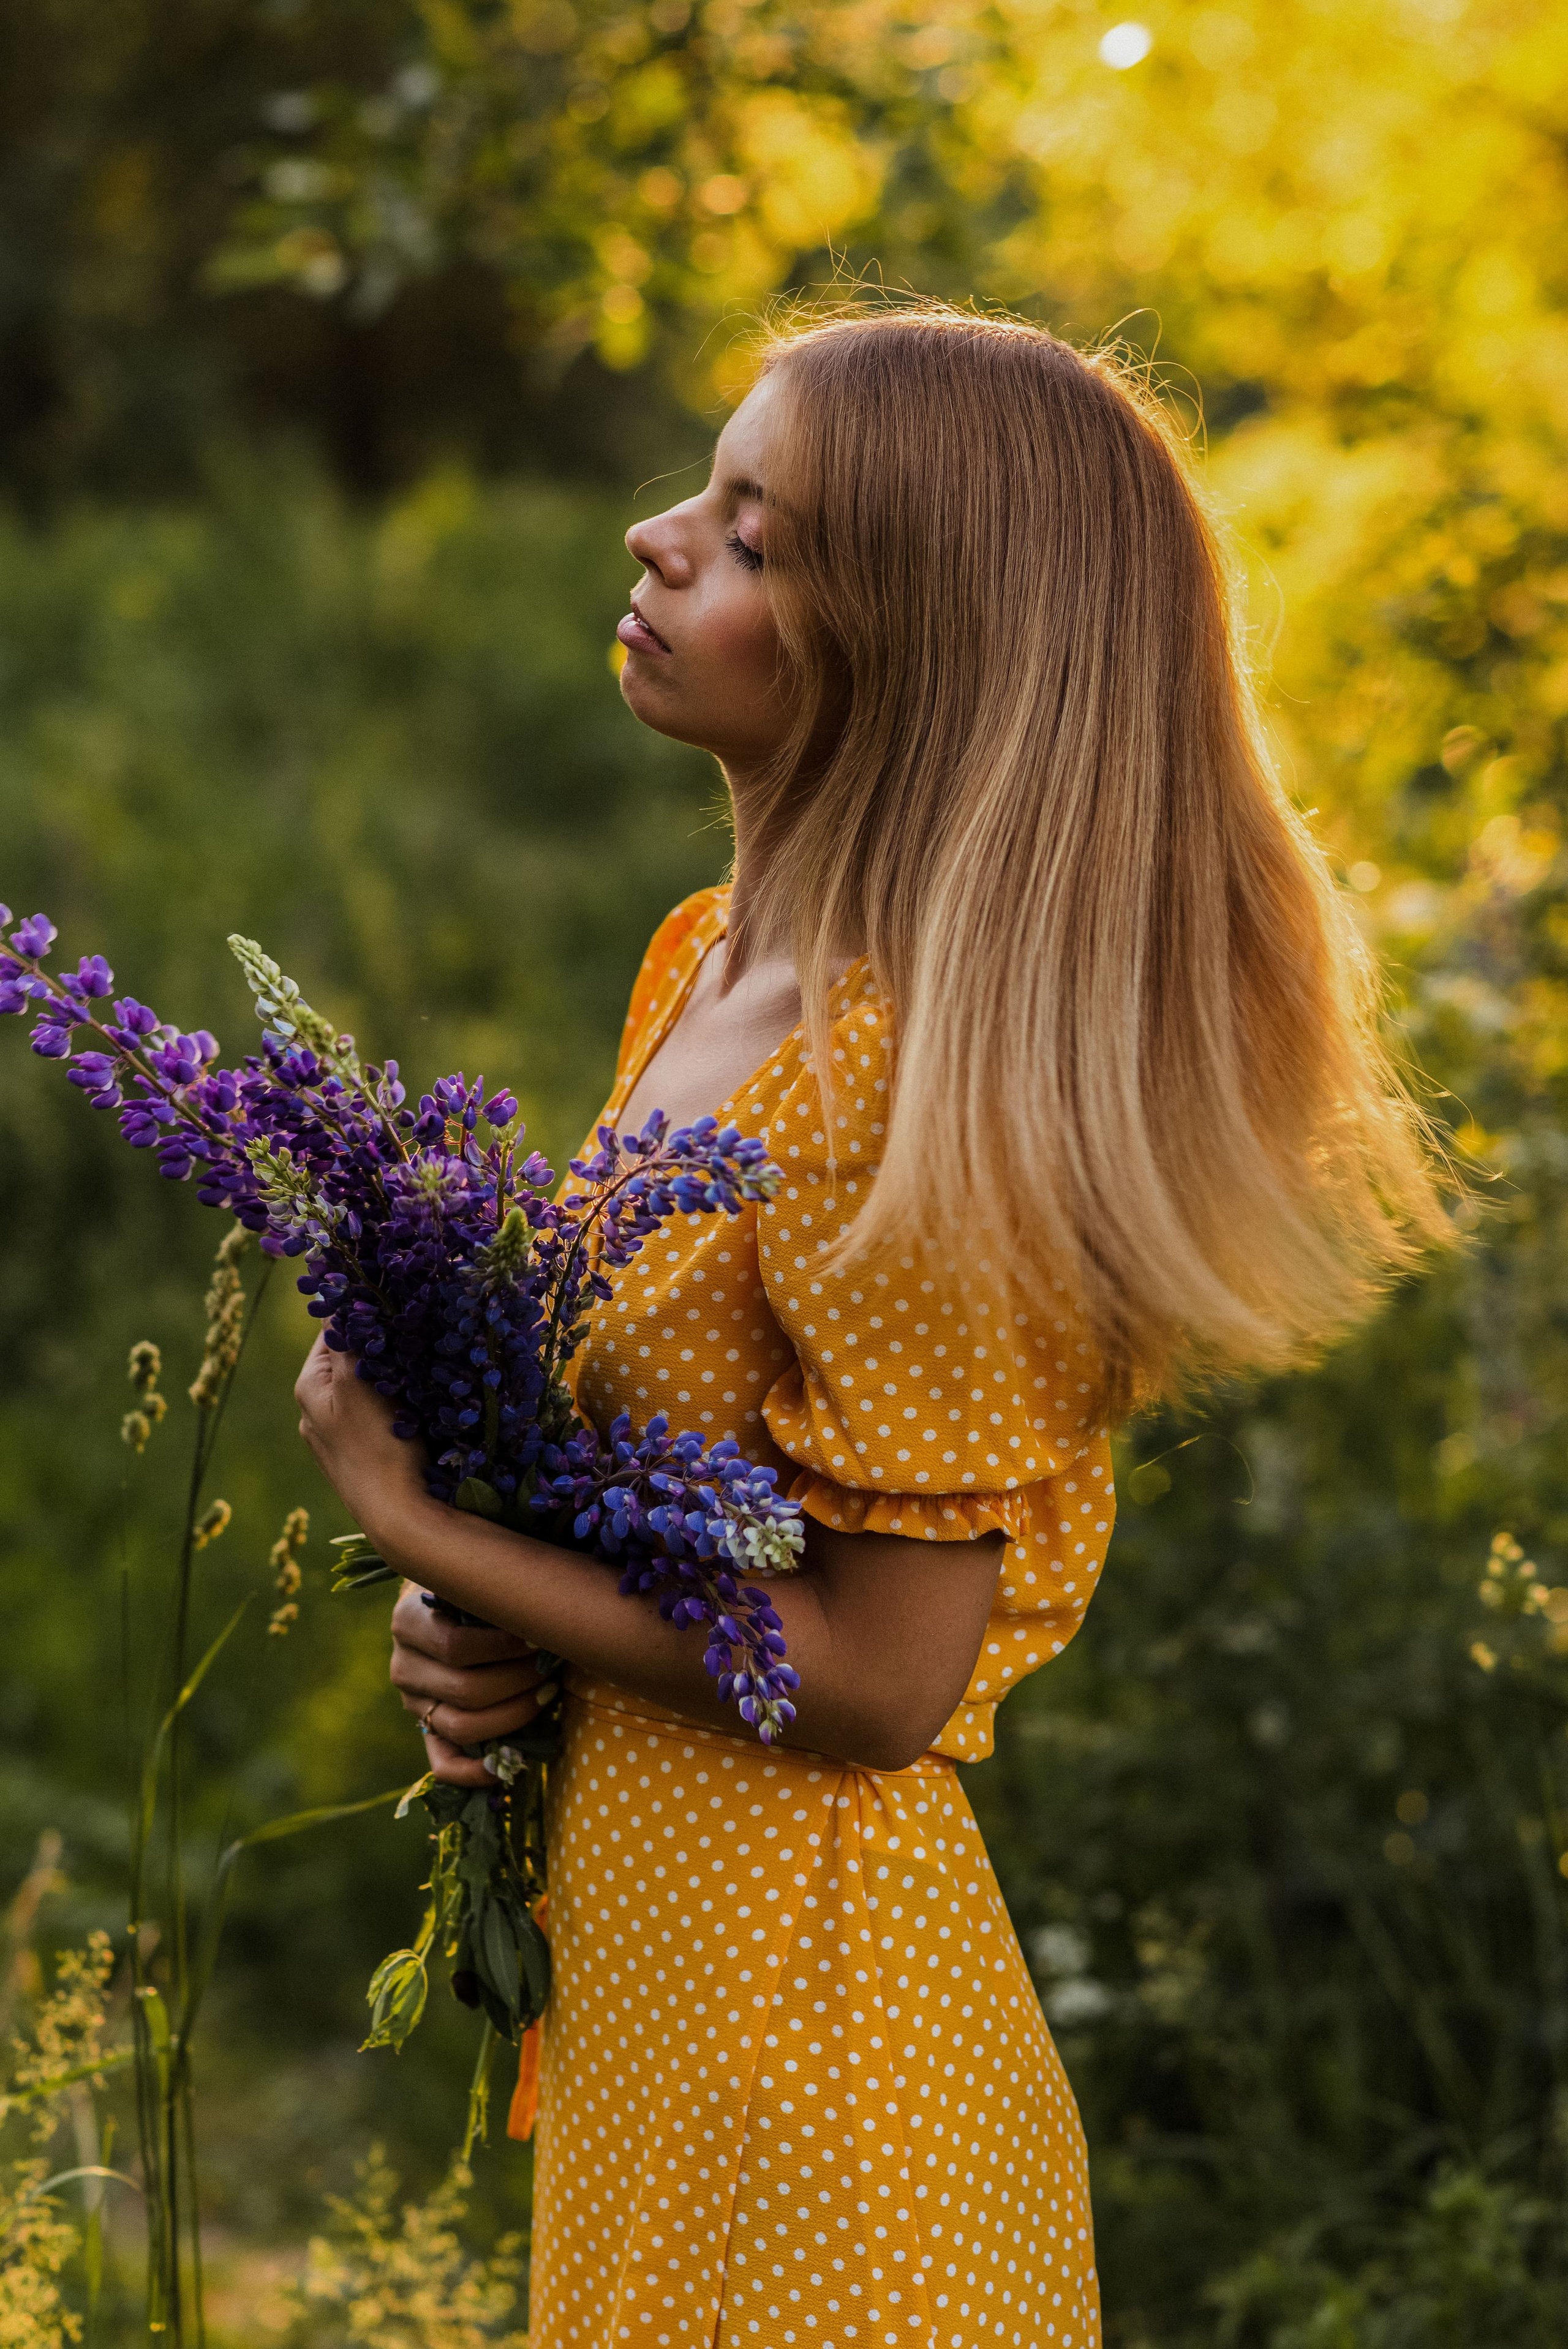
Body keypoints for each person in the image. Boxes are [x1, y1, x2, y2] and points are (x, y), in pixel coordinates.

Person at [295, 304, 1448, 2349]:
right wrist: (491, 1621)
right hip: (665, 1990)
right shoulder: (712, 967)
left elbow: (876, 1679)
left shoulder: (908, 1094)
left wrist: (422, 1519)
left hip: (815, 2086)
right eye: (703, 492)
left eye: (754, 536)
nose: (659, 540)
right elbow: (693, 1507)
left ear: (910, 651)